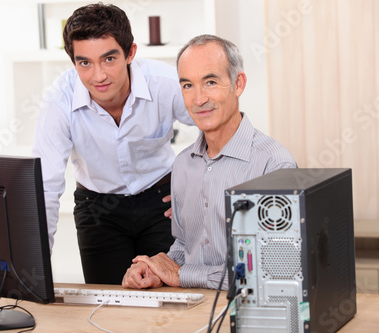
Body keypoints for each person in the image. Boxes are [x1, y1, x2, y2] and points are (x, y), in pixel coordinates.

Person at [32, 3, 193, 285]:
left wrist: (197, 186)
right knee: (106, 307)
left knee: (171, 299)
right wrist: (31, 269)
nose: (99, 76)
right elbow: (45, 187)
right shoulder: (59, 100)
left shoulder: (165, 83)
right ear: (73, 63)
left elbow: (215, 124)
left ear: (130, 53)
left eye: (108, 59)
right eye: (85, 63)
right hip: (97, 209)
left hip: (161, 201)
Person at [122, 34, 297, 290]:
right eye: (187, 85)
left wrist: (182, 275)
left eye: (210, 82)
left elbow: (275, 271)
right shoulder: (182, 165)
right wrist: (154, 269)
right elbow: (184, 245)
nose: (198, 99)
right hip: (188, 313)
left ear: (238, 84)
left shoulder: (274, 165)